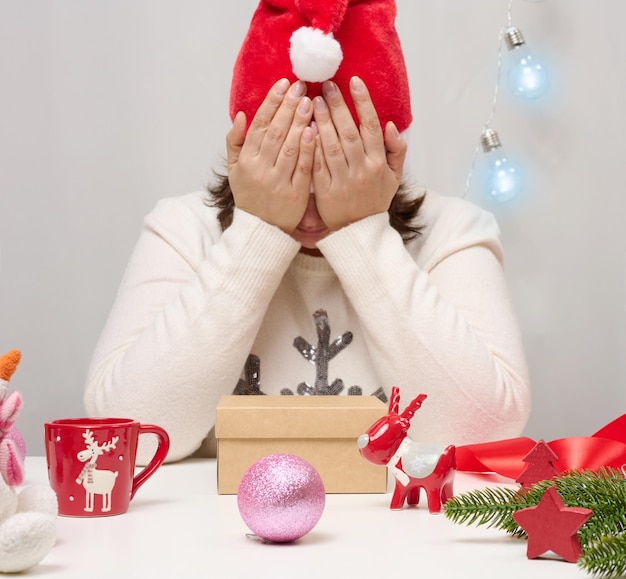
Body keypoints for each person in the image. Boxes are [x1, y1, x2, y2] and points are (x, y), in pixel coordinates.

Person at [84, 0, 531, 463]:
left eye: (342, 170)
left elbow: (485, 433)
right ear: (242, 147)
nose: (311, 206)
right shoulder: (183, 228)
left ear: (390, 155)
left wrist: (364, 233)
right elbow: (124, 437)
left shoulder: (452, 231)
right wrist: (257, 230)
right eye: (286, 167)